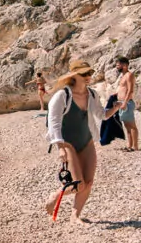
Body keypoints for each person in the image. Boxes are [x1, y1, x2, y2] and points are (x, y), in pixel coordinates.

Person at [45, 59, 122, 223]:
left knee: (88, 182)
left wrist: (115, 107)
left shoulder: (92, 94)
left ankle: (75, 216)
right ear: (74, 76)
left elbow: (102, 115)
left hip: (86, 140)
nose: (88, 76)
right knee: (78, 183)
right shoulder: (62, 95)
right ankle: (56, 195)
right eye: (84, 73)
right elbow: (54, 122)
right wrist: (60, 147)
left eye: (90, 73)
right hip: (67, 143)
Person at [115, 56, 137, 151]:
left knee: (132, 125)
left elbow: (130, 90)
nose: (116, 67)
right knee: (127, 126)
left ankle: (135, 147)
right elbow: (122, 89)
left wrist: (124, 103)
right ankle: (129, 146)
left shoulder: (129, 75)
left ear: (124, 65)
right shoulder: (123, 76)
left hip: (126, 103)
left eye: (118, 65)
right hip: (122, 103)